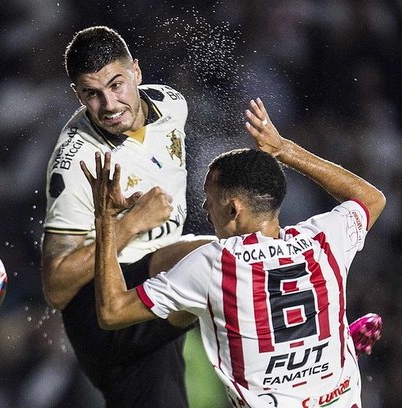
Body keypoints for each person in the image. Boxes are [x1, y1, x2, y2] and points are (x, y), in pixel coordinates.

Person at [81, 98, 386, 407]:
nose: (204, 209)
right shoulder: (324, 240)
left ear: (233, 207)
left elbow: (112, 311)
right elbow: (372, 199)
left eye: (208, 198)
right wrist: (284, 150)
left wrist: (105, 218)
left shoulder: (214, 264)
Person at [42, 25, 209, 407]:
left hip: (152, 294)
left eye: (116, 85)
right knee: (212, 258)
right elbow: (55, 286)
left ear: (137, 71)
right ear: (77, 95)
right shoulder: (77, 160)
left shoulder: (171, 105)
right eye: (92, 95)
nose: (110, 105)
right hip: (103, 313)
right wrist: (129, 223)